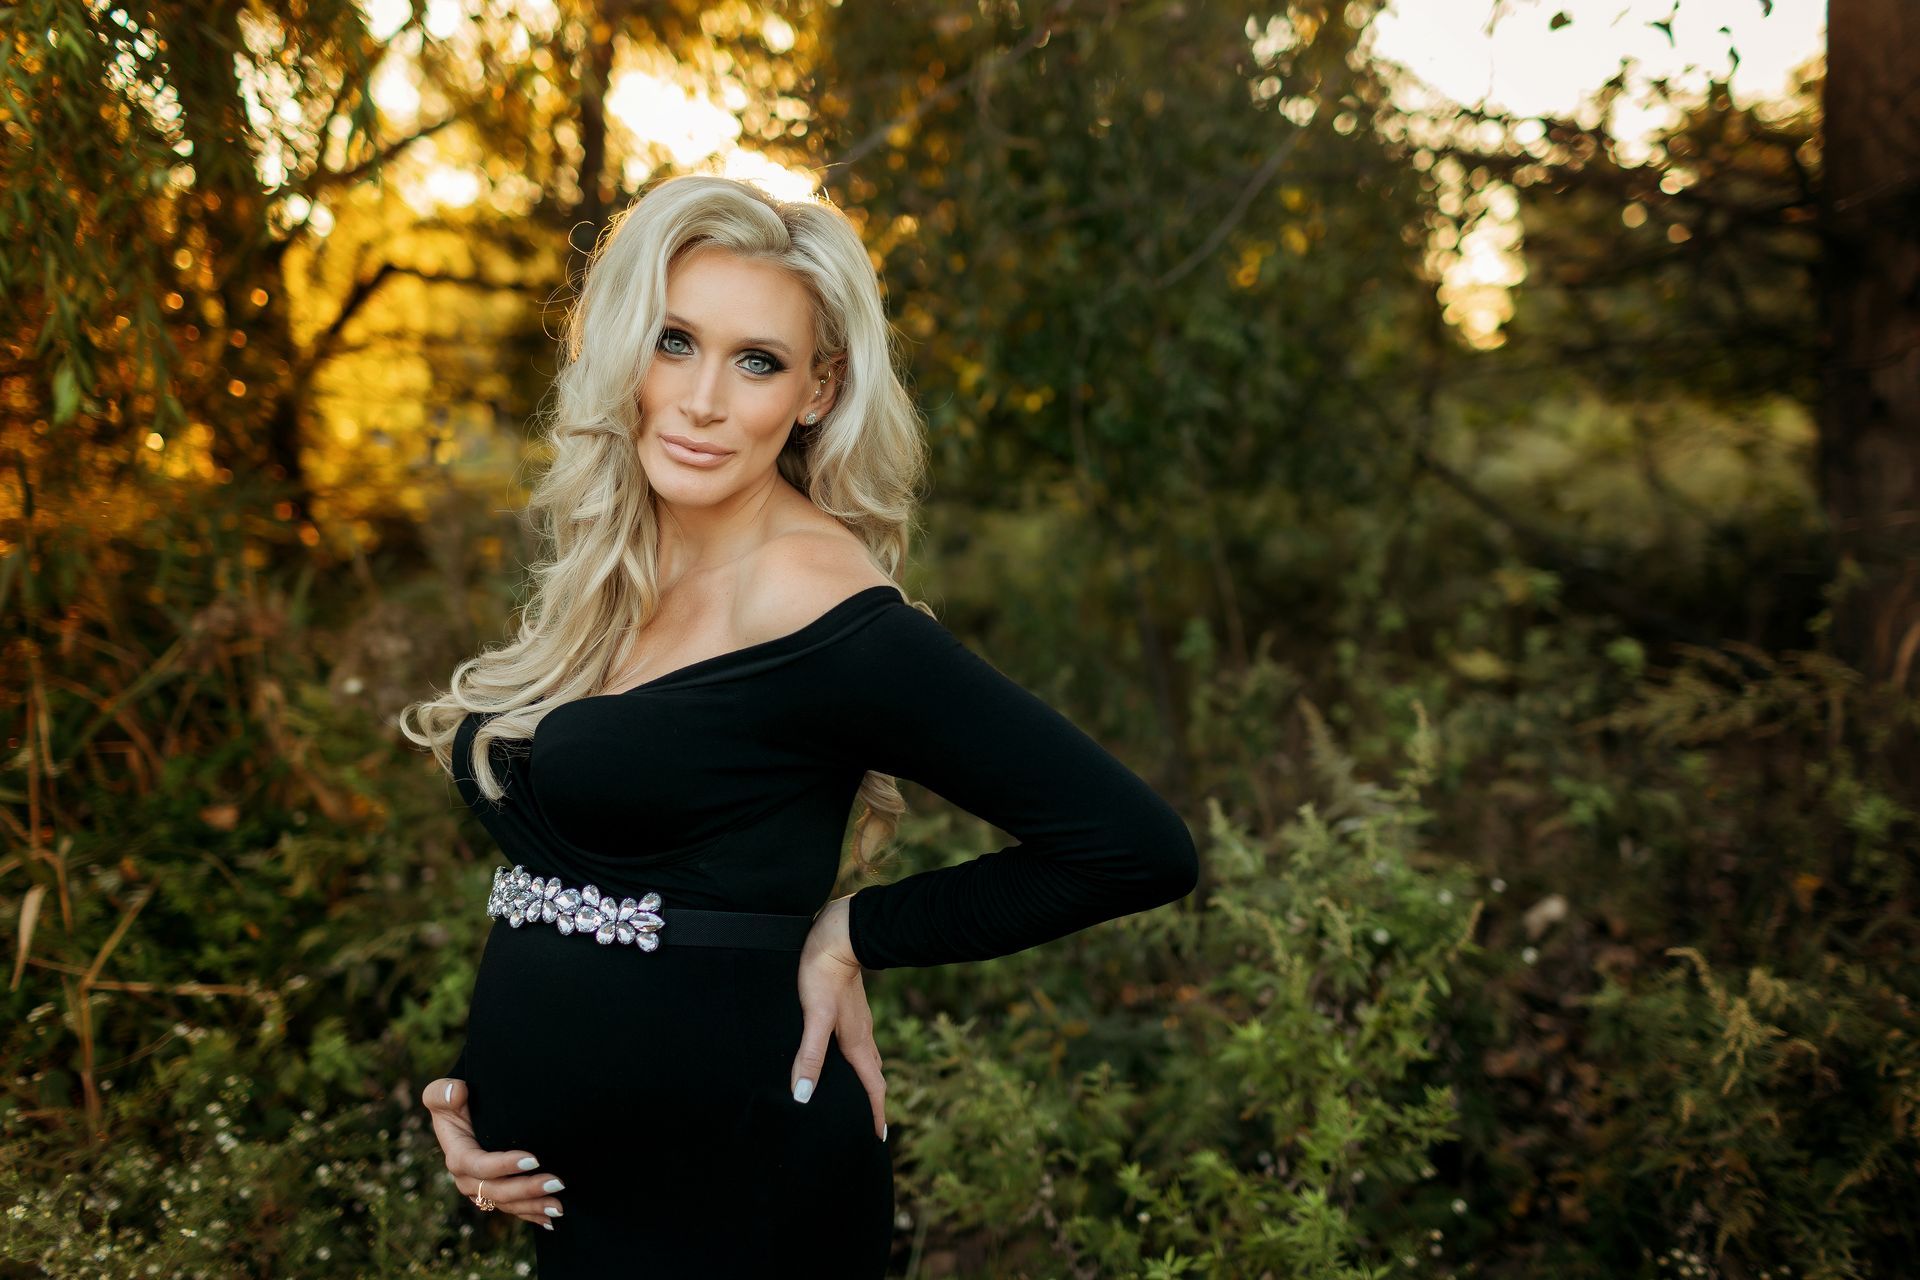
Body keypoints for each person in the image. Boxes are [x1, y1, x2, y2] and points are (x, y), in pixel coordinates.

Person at [398, 174, 1198, 1278]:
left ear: (818, 390)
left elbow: (1133, 845)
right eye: (673, 341)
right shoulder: (623, 573)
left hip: (737, 1200)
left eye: (757, 360)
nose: (701, 400)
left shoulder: (824, 607)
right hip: (577, 1204)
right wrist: (475, 1100)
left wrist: (855, 930)